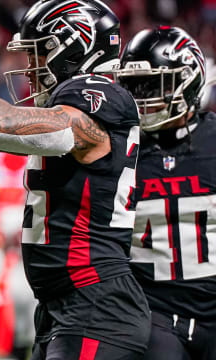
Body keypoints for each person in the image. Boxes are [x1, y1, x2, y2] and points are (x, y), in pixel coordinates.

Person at [0, 0, 150, 358]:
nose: (29, 69)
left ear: (74, 49)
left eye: (38, 54)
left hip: (95, 303)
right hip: (66, 304)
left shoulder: (99, 96)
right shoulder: (76, 105)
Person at [115, 26, 216, 360]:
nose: (142, 99)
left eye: (153, 85)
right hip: (154, 318)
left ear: (189, 80)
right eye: (134, 87)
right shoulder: (119, 149)